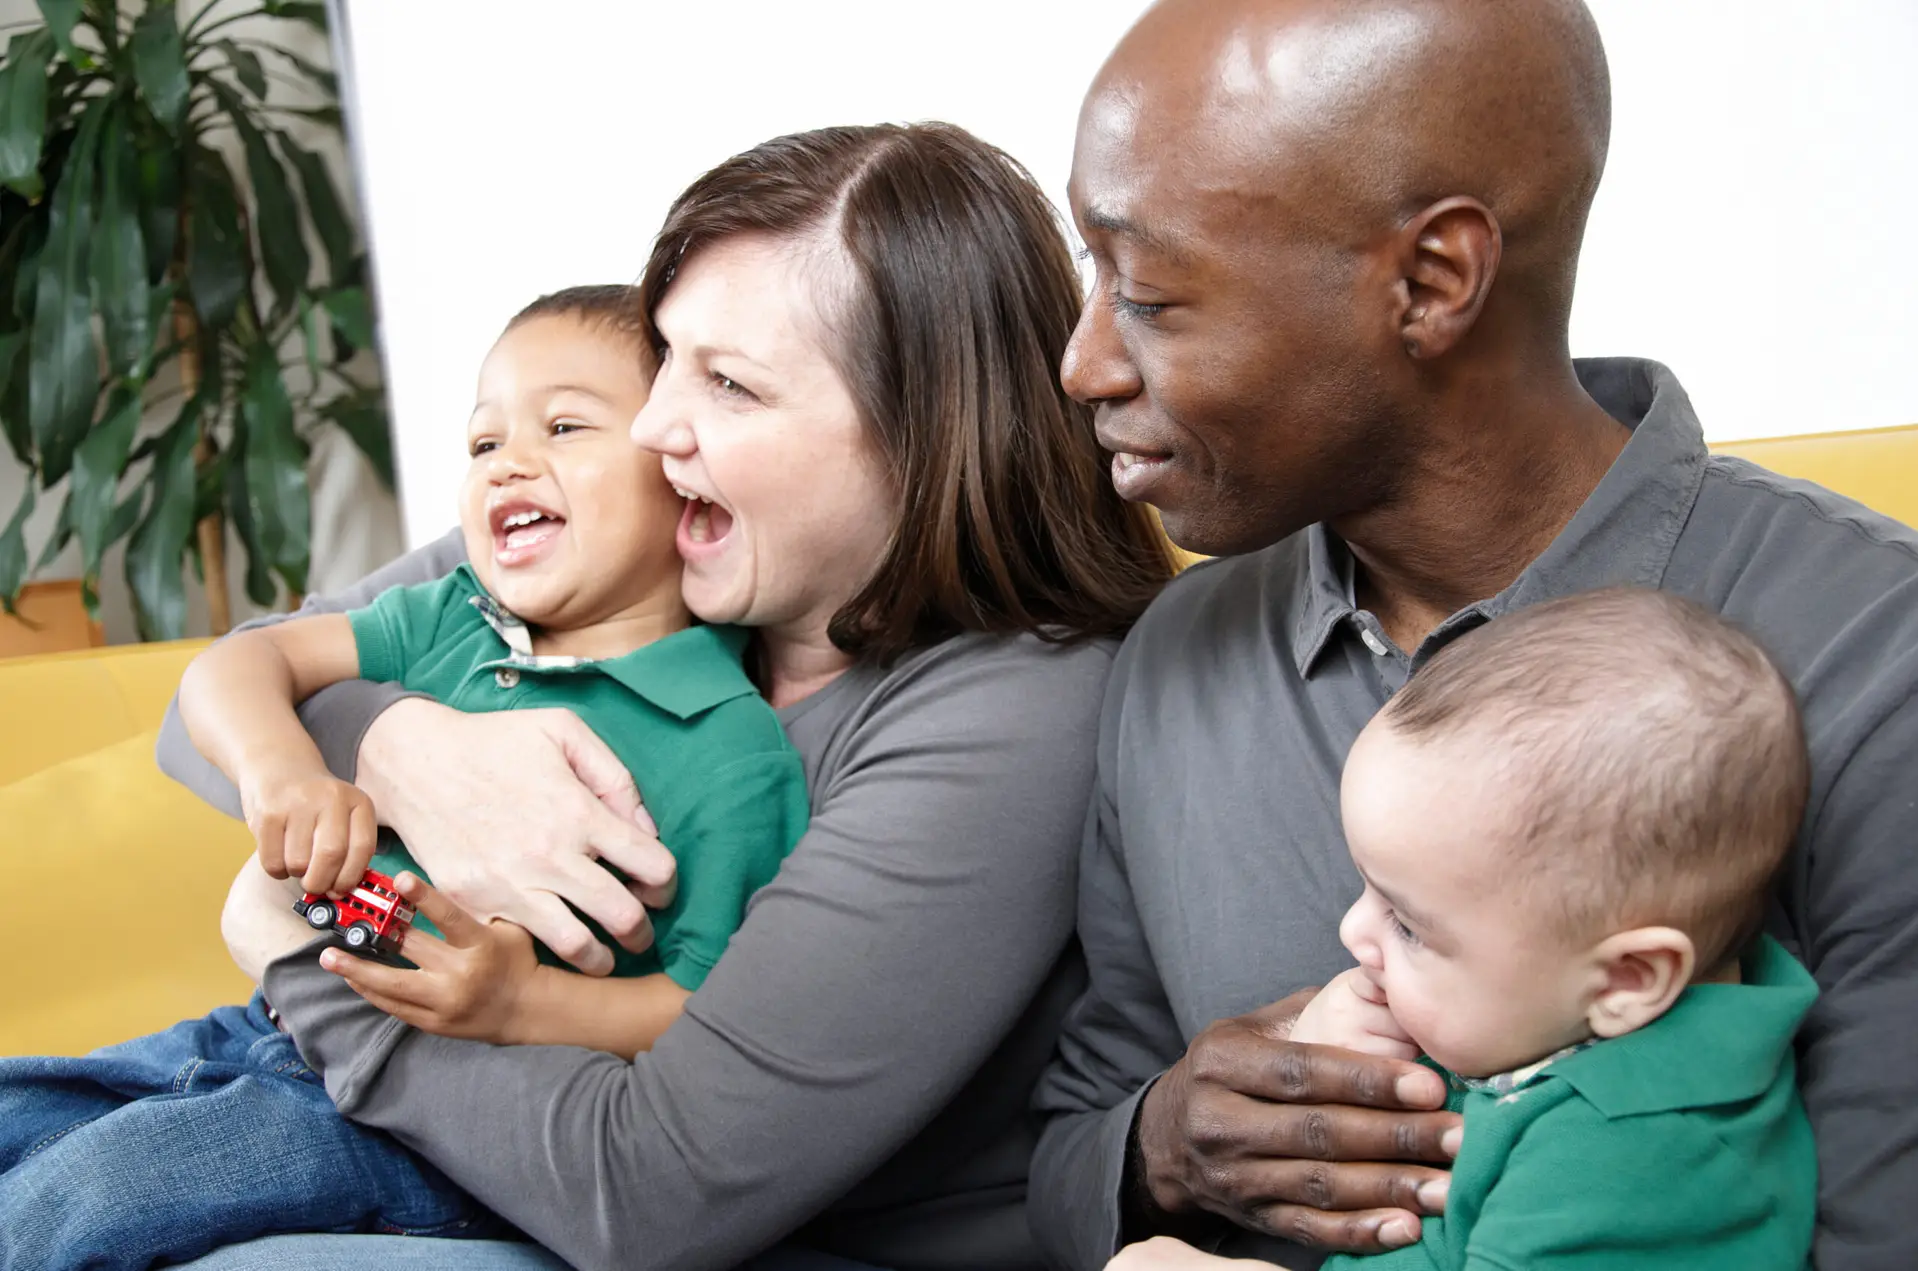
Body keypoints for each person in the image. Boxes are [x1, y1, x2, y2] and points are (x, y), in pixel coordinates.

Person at [155, 122, 1176, 1271]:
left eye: (729, 385)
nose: (650, 428)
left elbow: (652, 1196)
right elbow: (215, 696)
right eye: (666, 360)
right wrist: (396, 743)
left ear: (926, 434)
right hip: (460, 1141)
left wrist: (297, 955)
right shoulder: (651, 546)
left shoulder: (1013, 711)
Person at [1028, 1, 1918, 1269]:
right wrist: (1160, 1142)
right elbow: (1065, 1158)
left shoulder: (1882, 665)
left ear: (1434, 280)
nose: (1083, 363)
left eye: (1152, 295)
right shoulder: (1175, 651)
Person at [0, 287, 811, 1269]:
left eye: (562, 425)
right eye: (483, 443)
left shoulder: (730, 746)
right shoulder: (450, 616)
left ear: (683, 475)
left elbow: (710, 1011)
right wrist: (286, 773)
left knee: (66, 1206)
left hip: (437, 1127)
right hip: (275, 1019)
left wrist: (529, 1005)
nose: (508, 460)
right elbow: (234, 667)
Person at [1112, 588, 1818, 1271]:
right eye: (1367, 888)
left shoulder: (1641, 1163)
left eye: (1409, 927)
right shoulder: (1547, 1013)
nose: (1355, 930)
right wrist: (1331, 1053)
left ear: (1628, 979)